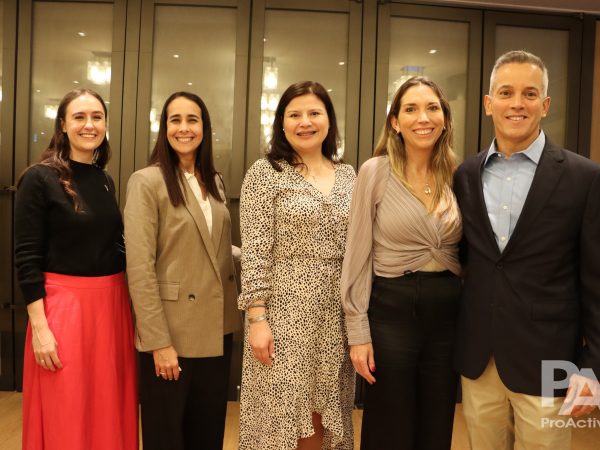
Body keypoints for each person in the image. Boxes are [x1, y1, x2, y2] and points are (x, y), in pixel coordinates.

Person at [454, 50, 600, 450]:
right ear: (489, 103)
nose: (517, 103)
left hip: (550, 361)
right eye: (506, 92)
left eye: (530, 94)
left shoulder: (584, 178)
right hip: (480, 360)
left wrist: (593, 368)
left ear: (545, 105)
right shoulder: (466, 175)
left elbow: (596, 282)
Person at [341, 76, 462, 449]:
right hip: (391, 312)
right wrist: (358, 333)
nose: (423, 118)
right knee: (390, 425)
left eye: (432, 108)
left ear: (444, 119)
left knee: (437, 423)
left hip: (447, 316)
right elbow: (357, 254)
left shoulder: (457, 174)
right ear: (395, 121)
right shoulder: (375, 172)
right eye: (411, 109)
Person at [14, 88, 138, 450]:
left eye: (97, 117)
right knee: (65, 410)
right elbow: (26, 257)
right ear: (63, 125)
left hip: (111, 308)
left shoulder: (104, 179)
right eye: (80, 117)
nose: (89, 125)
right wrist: (40, 329)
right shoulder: (38, 178)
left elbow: (114, 244)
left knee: (106, 408)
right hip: (63, 311)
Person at [238, 81, 356, 450]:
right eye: (295, 115)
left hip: (336, 316)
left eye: (314, 113)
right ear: (282, 123)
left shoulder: (350, 175)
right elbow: (255, 251)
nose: (305, 122)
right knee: (283, 419)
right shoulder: (265, 173)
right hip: (283, 316)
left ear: (328, 120)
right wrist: (257, 319)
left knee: (326, 413)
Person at [124, 91, 240, 450]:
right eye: (175, 120)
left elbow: (213, 246)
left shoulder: (214, 180)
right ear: (164, 128)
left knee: (206, 437)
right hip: (171, 333)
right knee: (166, 439)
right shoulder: (147, 181)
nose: (184, 128)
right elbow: (139, 267)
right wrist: (158, 342)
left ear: (204, 128)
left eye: (193, 120)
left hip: (217, 328)